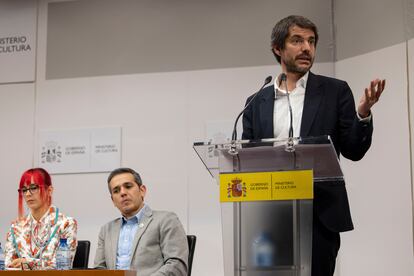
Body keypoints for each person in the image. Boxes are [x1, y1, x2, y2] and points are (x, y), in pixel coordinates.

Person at [242, 15, 385, 276]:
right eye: (297, 40)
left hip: (319, 216)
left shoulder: (335, 91)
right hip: (269, 217)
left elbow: (354, 150)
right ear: (278, 48)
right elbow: (249, 160)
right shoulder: (255, 101)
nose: (307, 48)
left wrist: (362, 114)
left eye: (311, 41)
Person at [94, 167, 188, 276]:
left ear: (142, 190)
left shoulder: (166, 220)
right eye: (116, 190)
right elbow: (99, 269)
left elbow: (177, 266)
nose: (122, 193)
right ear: (113, 200)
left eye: (128, 186)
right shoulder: (106, 230)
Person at [4, 168, 77, 270]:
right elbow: (8, 265)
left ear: (49, 190)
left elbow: (62, 265)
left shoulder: (66, 224)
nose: (28, 194)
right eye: (24, 190)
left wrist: (28, 262)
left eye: (33, 188)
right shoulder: (16, 227)